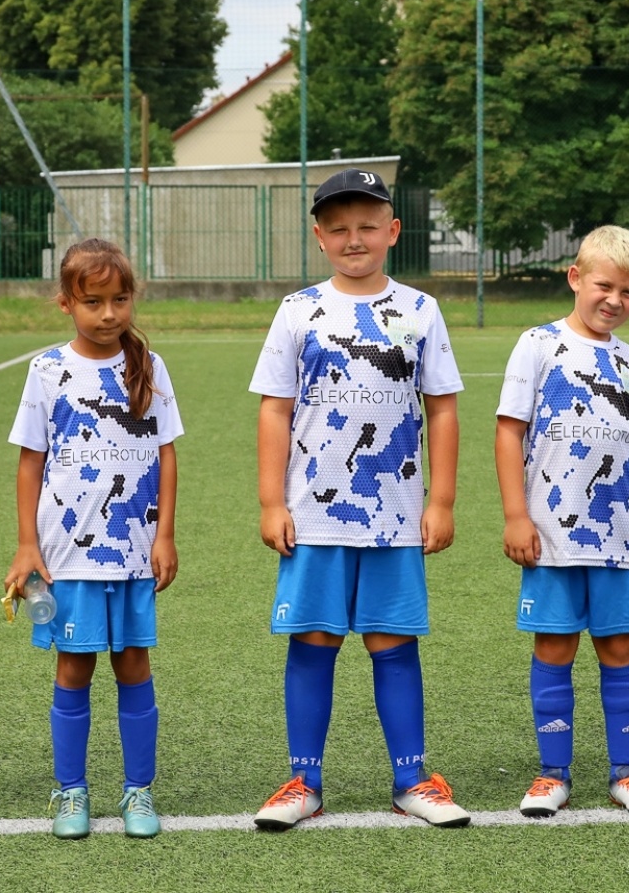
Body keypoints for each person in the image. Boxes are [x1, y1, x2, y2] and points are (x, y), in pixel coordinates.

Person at [249, 168, 469, 831]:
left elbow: (444, 408)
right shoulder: (298, 310)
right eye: (339, 228)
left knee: (393, 642)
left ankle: (411, 777)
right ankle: (302, 780)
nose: (354, 239)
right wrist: (270, 500)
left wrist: (443, 499)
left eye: (368, 225)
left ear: (392, 231)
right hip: (312, 515)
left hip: (396, 514)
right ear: (319, 236)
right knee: (312, 639)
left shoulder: (421, 310)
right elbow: (274, 410)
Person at [5, 239, 181, 840]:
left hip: (133, 549)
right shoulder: (47, 370)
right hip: (67, 552)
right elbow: (31, 462)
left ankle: (138, 791)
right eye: (94, 301)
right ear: (66, 303)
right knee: (73, 668)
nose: (109, 314)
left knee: (134, 665)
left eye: (121, 299)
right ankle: (71, 792)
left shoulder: (150, 369)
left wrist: (165, 534)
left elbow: (166, 454)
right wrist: (27, 545)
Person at [496, 225, 629, 819]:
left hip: (619, 537)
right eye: (603, 285)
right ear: (575, 278)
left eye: (628, 291)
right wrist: (517, 515)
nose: (614, 300)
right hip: (550, 536)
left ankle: (627, 771)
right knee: (555, 644)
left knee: (619, 645)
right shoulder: (538, 345)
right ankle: (552, 773)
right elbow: (509, 429)